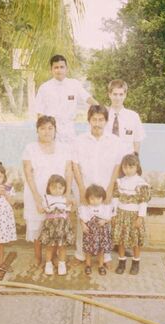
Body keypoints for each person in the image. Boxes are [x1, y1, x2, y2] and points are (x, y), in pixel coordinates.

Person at [73, 104, 124, 264]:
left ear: (106, 121)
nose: (97, 123)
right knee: (84, 221)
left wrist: (110, 188)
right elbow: (75, 165)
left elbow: (117, 165)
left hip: (105, 189)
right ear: (89, 120)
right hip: (85, 187)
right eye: (94, 119)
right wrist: (81, 189)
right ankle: (81, 254)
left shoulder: (115, 141)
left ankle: (105, 256)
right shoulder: (79, 140)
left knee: (105, 221)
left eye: (101, 119)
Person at [22, 116, 73, 266]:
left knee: (57, 225)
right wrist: (38, 198)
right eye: (43, 128)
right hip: (36, 193)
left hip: (58, 194)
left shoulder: (64, 148)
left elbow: (68, 171)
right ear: (37, 130)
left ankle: (55, 256)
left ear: (55, 130)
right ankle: (38, 256)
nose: (47, 131)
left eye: (50, 128)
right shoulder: (30, 148)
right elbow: (28, 173)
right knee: (38, 226)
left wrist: (67, 194)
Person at [34, 54, 98, 143]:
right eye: (56, 67)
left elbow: (88, 98)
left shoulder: (74, 84)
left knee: (71, 155)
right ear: (51, 70)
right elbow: (39, 113)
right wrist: (43, 134)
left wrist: (102, 109)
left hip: (69, 130)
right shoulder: (44, 88)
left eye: (61, 67)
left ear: (66, 69)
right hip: (51, 130)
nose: (59, 70)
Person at [112, 154, 151, 275]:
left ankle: (135, 262)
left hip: (134, 216)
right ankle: (121, 262)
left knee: (135, 241)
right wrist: (113, 215)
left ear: (136, 167)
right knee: (121, 240)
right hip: (121, 215)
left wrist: (140, 217)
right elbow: (115, 199)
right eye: (125, 167)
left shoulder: (141, 183)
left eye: (131, 167)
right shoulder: (119, 182)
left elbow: (143, 201)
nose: (128, 170)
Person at [39, 174, 74, 276]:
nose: (57, 190)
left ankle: (62, 263)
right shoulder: (46, 198)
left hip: (63, 226)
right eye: (54, 187)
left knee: (62, 246)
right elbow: (43, 210)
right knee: (50, 246)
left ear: (64, 188)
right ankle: (48, 263)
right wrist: (42, 209)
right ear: (49, 188)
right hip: (51, 226)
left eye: (60, 188)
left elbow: (69, 212)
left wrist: (73, 204)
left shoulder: (65, 199)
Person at [78, 185, 113, 275]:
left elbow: (109, 218)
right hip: (90, 232)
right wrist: (83, 226)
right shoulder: (85, 207)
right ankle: (88, 265)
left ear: (102, 198)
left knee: (101, 250)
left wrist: (104, 221)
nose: (95, 201)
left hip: (101, 232)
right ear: (88, 199)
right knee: (88, 250)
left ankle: (101, 265)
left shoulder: (105, 207)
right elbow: (82, 218)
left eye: (98, 198)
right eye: (92, 199)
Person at [104, 79, 145, 155]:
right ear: (109, 94)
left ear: (125, 95)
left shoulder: (133, 117)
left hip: (126, 161)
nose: (118, 98)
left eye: (121, 94)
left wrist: (134, 161)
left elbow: (137, 141)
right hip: (107, 160)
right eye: (115, 94)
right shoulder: (102, 116)